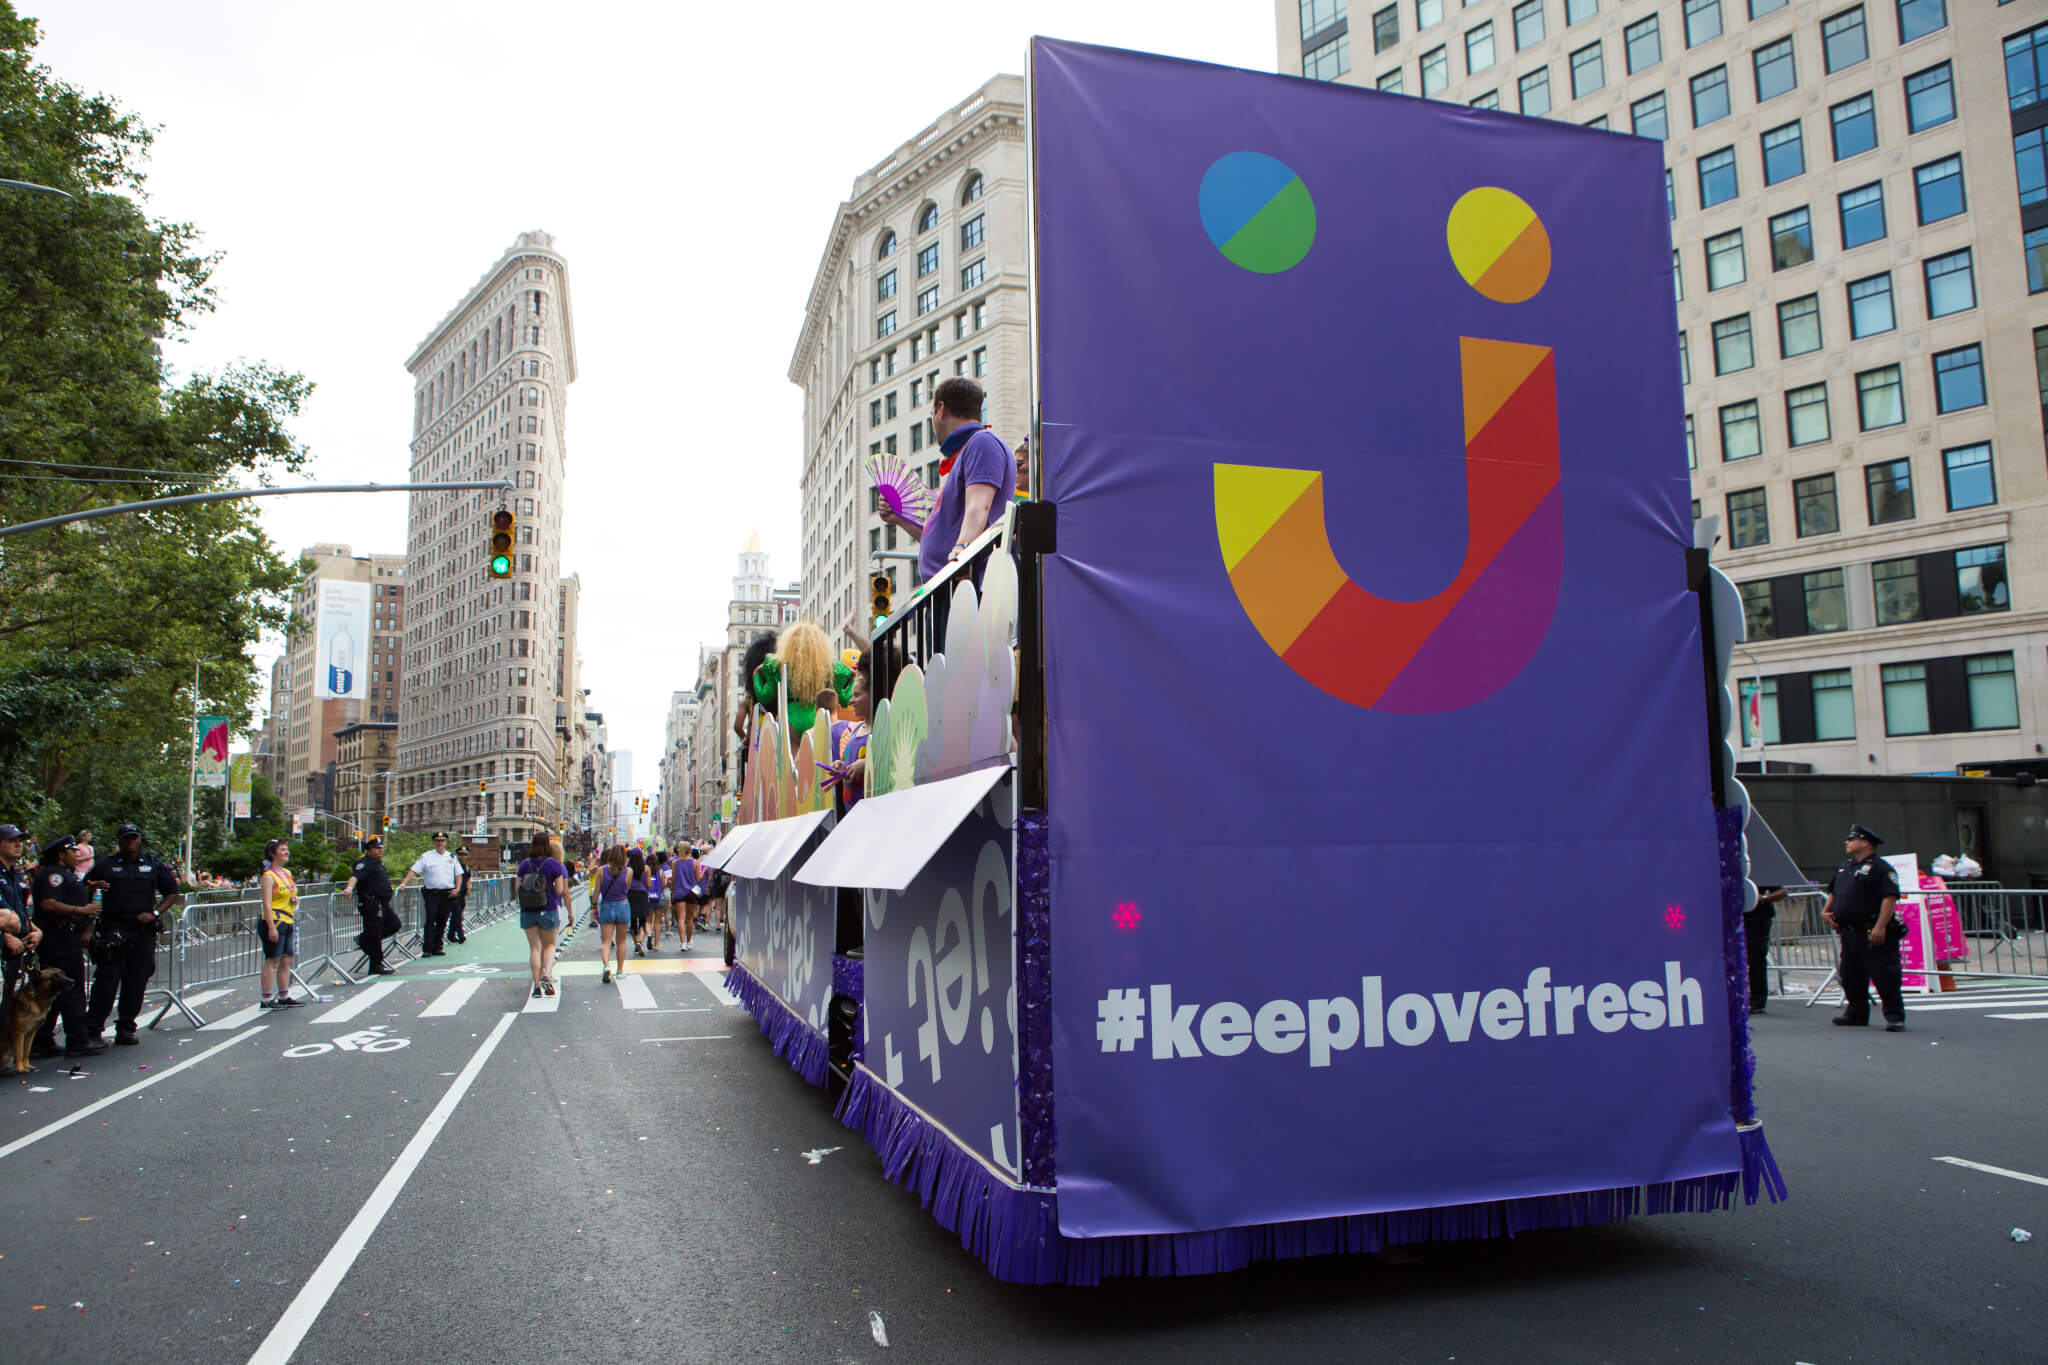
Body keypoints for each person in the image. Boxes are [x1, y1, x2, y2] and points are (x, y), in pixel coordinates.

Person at [880, 376, 1017, 582]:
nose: (932, 421)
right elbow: (938, 539)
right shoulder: (969, 450)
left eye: (932, 413)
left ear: (941, 409)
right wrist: (898, 517)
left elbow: (979, 507)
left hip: (968, 589)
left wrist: (961, 553)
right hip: (949, 590)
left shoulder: (982, 443)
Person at [84, 823, 179, 1046]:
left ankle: (126, 1028)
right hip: (113, 931)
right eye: (126, 838)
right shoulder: (106, 865)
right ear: (119, 841)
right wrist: (87, 924)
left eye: (134, 837)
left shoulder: (152, 864)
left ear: (139, 839)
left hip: (142, 932)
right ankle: (93, 1029)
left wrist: (155, 913)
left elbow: (172, 892)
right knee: (107, 981)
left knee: (136, 981)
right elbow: (84, 888)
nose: (130, 841)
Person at [1821, 824, 1905, 1032]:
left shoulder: (1880, 868)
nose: (1847, 843)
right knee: (1850, 975)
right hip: (1849, 932)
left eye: (1851, 839)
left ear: (1865, 842)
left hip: (1870, 930)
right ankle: (1856, 1012)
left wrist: (1880, 927)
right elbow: (1834, 891)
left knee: (1885, 975)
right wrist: (1826, 911)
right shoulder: (1845, 867)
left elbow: (1889, 897)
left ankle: (1894, 1016)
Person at [32, 836, 105, 1055]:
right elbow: (49, 903)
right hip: (59, 941)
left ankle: (42, 1040)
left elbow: (69, 897)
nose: (78, 854)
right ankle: (78, 1040)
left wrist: (88, 890)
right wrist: (81, 911)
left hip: (65, 939)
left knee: (53, 992)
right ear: (61, 855)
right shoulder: (53, 875)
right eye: (73, 851)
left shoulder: (66, 875)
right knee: (70, 989)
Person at [0, 823, 42, 1075]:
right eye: (12, 840)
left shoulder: (14, 873)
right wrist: (5, 934)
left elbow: (18, 911)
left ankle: (5, 1057)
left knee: (8, 1006)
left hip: (18, 951)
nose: (18, 844)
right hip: (5, 949)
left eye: (21, 840)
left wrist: (35, 930)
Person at [516, 833, 568, 998]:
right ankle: (547, 975)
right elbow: (560, 890)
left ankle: (537, 987)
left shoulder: (524, 865)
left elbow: (517, 888)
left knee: (535, 948)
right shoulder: (554, 865)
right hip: (548, 908)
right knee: (549, 946)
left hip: (528, 910)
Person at [341, 838, 398, 975]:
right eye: (377, 848)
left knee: (394, 925)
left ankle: (364, 939)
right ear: (369, 850)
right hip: (371, 903)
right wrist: (349, 888)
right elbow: (355, 877)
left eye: (381, 848)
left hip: (381, 903)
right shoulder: (364, 863)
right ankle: (375, 964)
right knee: (375, 932)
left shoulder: (378, 863)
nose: (380, 850)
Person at [400, 832, 462, 956]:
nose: (440, 843)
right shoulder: (426, 856)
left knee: (442, 921)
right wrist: (404, 883)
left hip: (447, 894)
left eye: (442, 841)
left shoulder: (451, 857)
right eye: (438, 841)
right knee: (430, 920)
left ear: (445, 842)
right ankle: (427, 948)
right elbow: (414, 870)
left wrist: (457, 889)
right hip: (432, 894)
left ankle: (438, 947)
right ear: (434, 842)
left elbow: (458, 874)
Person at [257, 839, 302, 1009]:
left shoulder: (287, 873)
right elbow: (267, 904)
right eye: (282, 849)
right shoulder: (268, 876)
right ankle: (266, 999)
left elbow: (288, 894)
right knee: (272, 959)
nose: (286, 852)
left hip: (288, 919)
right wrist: (271, 927)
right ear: (272, 854)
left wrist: (294, 899)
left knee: (286, 959)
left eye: (287, 849)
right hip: (275, 921)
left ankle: (284, 995)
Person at [1744, 884, 1789, 1014]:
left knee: (1756, 957)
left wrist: (1763, 898)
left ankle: (1757, 1000)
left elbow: (1782, 891)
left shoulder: (1761, 873)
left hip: (1758, 918)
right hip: (1737, 917)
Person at [595, 844, 631, 984]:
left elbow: (597, 892)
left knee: (606, 941)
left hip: (607, 906)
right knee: (621, 941)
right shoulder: (628, 872)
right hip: (622, 905)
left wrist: (593, 908)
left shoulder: (601, 870)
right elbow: (626, 888)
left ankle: (606, 966)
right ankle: (620, 971)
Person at [626, 847, 652, 956]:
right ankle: (641, 941)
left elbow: (626, 884)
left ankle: (636, 943)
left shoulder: (627, 868)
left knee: (633, 922)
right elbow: (649, 885)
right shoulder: (646, 868)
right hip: (642, 895)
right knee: (642, 920)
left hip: (631, 895)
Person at [447, 846, 472, 945]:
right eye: (461, 854)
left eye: (465, 854)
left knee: (457, 914)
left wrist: (468, 888)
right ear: (457, 855)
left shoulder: (466, 866)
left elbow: (468, 877)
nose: (463, 856)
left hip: (462, 893)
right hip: (455, 892)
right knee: (457, 914)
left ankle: (451, 935)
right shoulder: (454, 865)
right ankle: (460, 935)